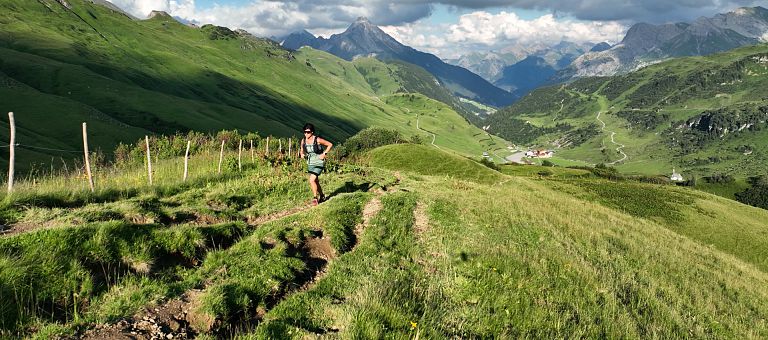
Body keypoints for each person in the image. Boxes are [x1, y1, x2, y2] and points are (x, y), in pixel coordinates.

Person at [299, 123, 333, 205]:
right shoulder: (303, 141)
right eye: (305, 132)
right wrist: (302, 154)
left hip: (319, 162)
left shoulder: (317, 140)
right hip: (310, 163)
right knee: (316, 181)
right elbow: (301, 150)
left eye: (308, 132)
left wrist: (324, 154)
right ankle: (322, 196)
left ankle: (315, 198)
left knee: (311, 180)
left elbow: (330, 144)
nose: (306, 134)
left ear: (312, 132)